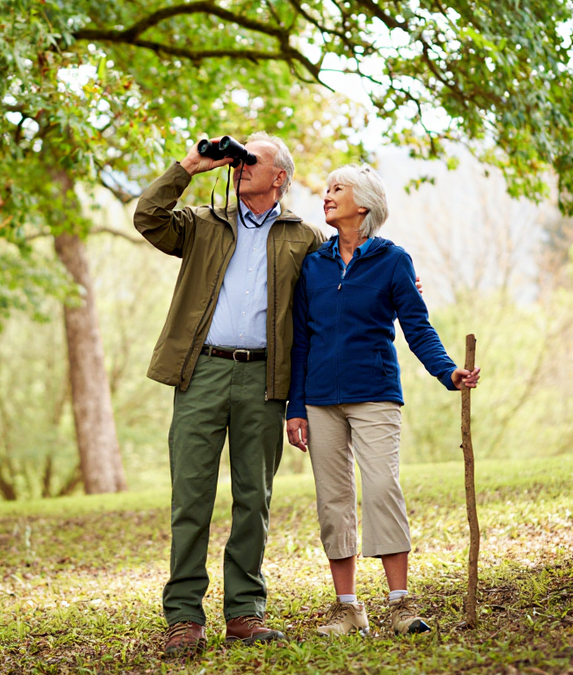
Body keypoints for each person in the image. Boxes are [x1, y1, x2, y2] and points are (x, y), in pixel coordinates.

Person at [134, 132, 324, 658]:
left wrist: (401, 278)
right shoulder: (201, 224)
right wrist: (189, 167)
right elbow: (148, 217)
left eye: (252, 161)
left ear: (280, 177)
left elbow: (340, 281)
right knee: (190, 498)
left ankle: (244, 612)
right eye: (237, 161)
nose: (240, 167)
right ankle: (183, 618)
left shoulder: (303, 236)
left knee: (252, 501)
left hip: (264, 382)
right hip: (202, 374)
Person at [284, 164, 480, 638]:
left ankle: (400, 604)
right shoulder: (314, 263)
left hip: (374, 394)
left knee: (381, 489)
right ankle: (348, 608)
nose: (326, 196)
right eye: (326, 189)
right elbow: (300, 342)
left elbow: (417, 328)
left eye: (337, 189)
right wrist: (295, 407)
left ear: (364, 204)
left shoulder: (394, 261)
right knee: (333, 500)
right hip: (319, 400)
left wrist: (448, 371)